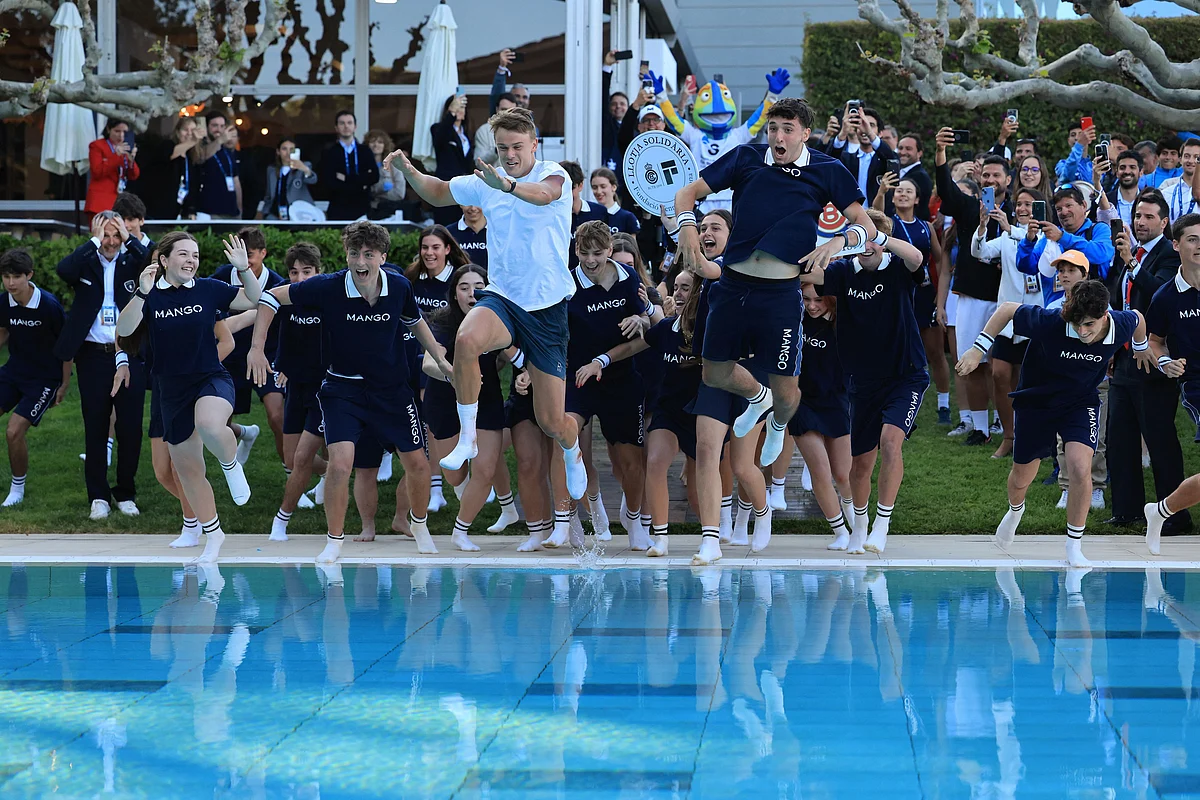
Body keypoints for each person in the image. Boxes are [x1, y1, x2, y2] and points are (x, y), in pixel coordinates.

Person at [673, 97, 875, 565]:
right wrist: (688, 232)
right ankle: (758, 398)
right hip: (732, 286)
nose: (778, 137)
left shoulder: (827, 169)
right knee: (714, 373)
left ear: (804, 133)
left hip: (781, 295)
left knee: (788, 395)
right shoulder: (745, 158)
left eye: (787, 129)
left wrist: (839, 243)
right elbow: (687, 195)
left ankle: (777, 418)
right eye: (773, 129)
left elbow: (865, 226)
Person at [384, 106, 589, 502]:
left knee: (551, 421)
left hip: (546, 309)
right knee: (466, 340)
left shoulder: (553, 174)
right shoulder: (484, 181)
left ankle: (572, 448)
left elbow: (543, 195)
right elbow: (437, 191)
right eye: (502, 147)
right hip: (503, 296)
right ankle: (469, 437)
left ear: (534, 145)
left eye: (517, 147)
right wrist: (409, 171)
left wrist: (508, 186)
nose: (509, 155)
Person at [248, 221, 452, 563]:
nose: (360, 261)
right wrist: (256, 348)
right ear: (346, 254)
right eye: (354, 253)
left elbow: (414, 321)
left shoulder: (399, 286)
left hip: (391, 391)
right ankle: (334, 539)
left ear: (382, 257)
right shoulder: (327, 286)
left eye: (369, 254)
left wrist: (440, 359)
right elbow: (270, 297)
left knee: (418, 464)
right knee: (340, 465)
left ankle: (419, 525)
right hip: (343, 390)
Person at [957, 280, 1149, 567]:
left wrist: (1141, 347)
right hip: (1037, 401)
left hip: (1080, 402)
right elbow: (1007, 309)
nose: (1082, 331)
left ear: (1105, 315)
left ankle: (1074, 545)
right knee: (1021, 477)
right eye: (1077, 325)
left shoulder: (1120, 324)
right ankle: (1015, 510)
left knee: (1080, 467)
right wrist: (978, 349)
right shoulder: (1052, 322)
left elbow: (1139, 319)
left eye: (1089, 325)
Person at [116, 232, 264, 562]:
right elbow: (125, 330)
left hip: (210, 378)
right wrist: (141, 292)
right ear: (164, 260)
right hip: (171, 390)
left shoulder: (209, 289)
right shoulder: (150, 295)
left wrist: (243, 270)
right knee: (188, 470)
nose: (191, 260)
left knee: (210, 424)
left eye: (195, 255)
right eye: (183, 254)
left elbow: (254, 299)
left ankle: (231, 465)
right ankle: (213, 534)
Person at [802, 209, 927, 554]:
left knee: (891, 442)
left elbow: (917, 258)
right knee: (860, 465)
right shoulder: (843, 271)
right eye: (859, 238)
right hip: (863, 382)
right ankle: (860, 526)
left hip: (906, 375)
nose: (866, 246)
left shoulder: (899, 267)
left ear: (885, 241)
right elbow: (807, 274)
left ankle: (882, 525)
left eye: (872, 239)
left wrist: (880, 238)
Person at [575, 268, 701, 556]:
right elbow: (640, 340)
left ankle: (716, 533)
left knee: (697, 486)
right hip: (663, 407)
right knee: (651, 462)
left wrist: (646, 313)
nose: (678, 293)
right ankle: (658, 536)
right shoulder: (665, 328)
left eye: (686, 288)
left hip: (701, 410)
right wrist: (601, 360)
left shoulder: (710, 327)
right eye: (676, 287)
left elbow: (654, 319)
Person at [552, 221, 655, 549]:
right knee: (566, 437)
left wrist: (640, 319)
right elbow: (550, 336)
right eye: (584, 253)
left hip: (620, 379)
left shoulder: (629, 278)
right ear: (576, 250)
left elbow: (646, 336)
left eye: (598, 253)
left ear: (610, 250)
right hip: (578, 377)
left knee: (631, 461)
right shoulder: (566, 284)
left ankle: (634, 520)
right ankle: (567, 519)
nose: (591, 260)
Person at [54, 212, 149, 519]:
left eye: (115, 235)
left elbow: (155, 263)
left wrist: (129, 238)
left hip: (130, 354)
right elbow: (63, 270)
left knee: (130, 427)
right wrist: (92, 242)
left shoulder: (132, 261)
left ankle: (125, 493)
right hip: (93, 355)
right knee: (95, 424)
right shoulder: (85, 261)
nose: (110, 242)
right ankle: (98, 496)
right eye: (105, 235)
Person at [1107, 192, 1191, 532]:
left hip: (1156, 358)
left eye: (1148, 216)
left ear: (1164, 222)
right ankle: (1126, 510)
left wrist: (1131, 262)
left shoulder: (1169, 254)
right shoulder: (1129, 253)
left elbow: (1160, 291)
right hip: (1124, 356)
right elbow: (1119, 300)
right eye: (1137, 215)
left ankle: (1174, 514)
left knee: (1160, 439)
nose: (1140, 222)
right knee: (1120, 437)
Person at [422, 264, 520, 550]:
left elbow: (508, 356)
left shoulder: (497, 319)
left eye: (478, 286)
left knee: (485, 468)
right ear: (455, 294)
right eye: (464, 287)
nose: (471, 293)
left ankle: (460, 532)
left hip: (485, 399)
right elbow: (429, 363)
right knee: (456, 475)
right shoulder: (443, 322)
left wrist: (524, 373)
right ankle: (488, 500)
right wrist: (454, 375)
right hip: (444, 402)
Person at [123, 317, 234, 547]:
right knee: (162, 471)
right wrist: (120, 362)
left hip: (193, 386)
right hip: (163, 386)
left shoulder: (199, 302)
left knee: (179, 466)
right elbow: (122, 332)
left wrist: (263, 308)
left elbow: (228, 332)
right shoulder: (148, 303)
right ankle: (203, 514)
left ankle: (192, 525)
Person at [935, 126, 1005, 447]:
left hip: (1007, 299)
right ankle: (980, 427)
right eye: (986, 175)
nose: (990, 180)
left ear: (1007, 180)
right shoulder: (968, 207)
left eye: (996, 175)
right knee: (971, 364)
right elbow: (946, 191)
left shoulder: (1019, 210)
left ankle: (1005, 423)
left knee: (1002, 368)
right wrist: (940, 153)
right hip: (972, 298)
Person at [972, 187, 1046, 459]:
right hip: (1007, 319)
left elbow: (1033, 248)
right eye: (1020, 204)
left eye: (1029, 204)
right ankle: (1009, 435)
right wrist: (983, 226)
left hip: (1035, 318)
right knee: (999, 374)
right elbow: (979, 252)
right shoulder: (1005, 237)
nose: (1023, 209)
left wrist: (1009, 228)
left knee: (1029, 381)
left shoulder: (1047, 238)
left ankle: (1033, 437)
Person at [876, 175, 949, 424]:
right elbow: (874, 216)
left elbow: (939, 259)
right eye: (899, 191)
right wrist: (881, 193)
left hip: (923, 293)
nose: (903, 194)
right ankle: (894, 403)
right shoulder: (888, 223)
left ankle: (944, 405)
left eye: (908, 191)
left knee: (935, 351)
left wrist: (940, 295)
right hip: (895, 294)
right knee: (896, 350)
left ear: (917, 199)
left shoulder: (926, 226)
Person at [267, 243, 327, 542]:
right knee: (292, 459)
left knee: (304, 457)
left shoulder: (329, 296)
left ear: (319, 271)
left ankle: (281, 520)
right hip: (296, 386)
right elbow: (258, 309)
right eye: (294, 272)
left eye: (307, 272)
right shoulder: (283, 295)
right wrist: (281, 365)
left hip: (325, 389)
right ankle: (333, 471)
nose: (300, 279)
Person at [0, 249, 69, 507]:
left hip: (44, 379)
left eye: (16, 276)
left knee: (13, 431)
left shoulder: (49, 306)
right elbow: (3, 331)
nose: (11, 283)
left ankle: (17, 489)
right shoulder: (3, 301)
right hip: (13, 372)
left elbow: (66, 347)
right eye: (6, 277)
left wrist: (64, 384)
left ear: (29, 275)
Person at [212, 226, 286, 467]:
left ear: (263, 253)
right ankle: (245, 433)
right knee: (218, 425)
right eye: (240, 255)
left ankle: (290, 474)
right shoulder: (221, 278)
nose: (244, 262)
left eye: (250, 255)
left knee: (277, 416)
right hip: (230, 357)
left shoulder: (277, 284)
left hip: (267, 356)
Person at [790, 282, 854, 549]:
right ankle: (840, 532)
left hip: (836, 401)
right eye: (806, 299)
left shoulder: (846, 322)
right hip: (801, 403)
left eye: (818, 300)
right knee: (820, 470)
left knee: (843, 475)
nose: (812, 306)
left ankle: (858, 525)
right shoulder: (794, 319)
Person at [318, 110, 379, 221]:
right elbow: (328, 180)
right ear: (336, 128)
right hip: (338, 208)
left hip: (363, 208)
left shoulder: (365, 151)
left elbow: (374, 176)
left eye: (349, 123)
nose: (346, 126)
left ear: (355, 127)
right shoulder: (329, 152)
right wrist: (360, 183)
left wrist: (345, 178)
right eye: (342, 123)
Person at [431, 94, 476, 226]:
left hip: (465, 187)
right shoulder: (438, 128)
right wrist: (451, 114)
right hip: (447, 185)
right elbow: (440, 138)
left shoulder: (467, 134)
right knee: (447, 224)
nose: (460, 110)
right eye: (456, 107)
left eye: (462, 107)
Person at [86, 119, 139, 216]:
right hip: (100, 201)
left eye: (124, 132)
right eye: (117, 131)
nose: (121, 135)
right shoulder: (97, 146)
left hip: (119, 201)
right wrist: (116, 155)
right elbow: (97, 171)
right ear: (108, 129)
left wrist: (131, 160)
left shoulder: (126, 148)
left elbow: (134, 175)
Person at [256, 139, 317, 220]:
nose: (288, 153)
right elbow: (269, 194)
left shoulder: (304, 166)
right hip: (275, 213)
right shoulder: (271, 170)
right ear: (278, 151)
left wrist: (304, 169)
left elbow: (312, 180)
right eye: (284, 149)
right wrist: (266, 212)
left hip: (299, 215)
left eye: (291, 149)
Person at [197, 112, 241, 219]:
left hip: (232, 212)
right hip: (210, 212)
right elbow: (202, 157)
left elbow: (236, 182)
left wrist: (240, 208)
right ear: (207, 127)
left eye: (222, 126)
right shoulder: (200, 147)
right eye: (214, 125)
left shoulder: (227, 151)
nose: (219, 129)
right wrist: (220, 140)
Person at [578, 168, 640, 235]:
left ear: (614, 187)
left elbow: (632, 241)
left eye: (603, 186)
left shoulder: (627, 217)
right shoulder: (589, 216)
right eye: (595, 187)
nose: (599, 191)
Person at [364, 130, 408, 220]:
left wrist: (377, 194)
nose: (376, 145)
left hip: (389, 213)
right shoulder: (362, 166)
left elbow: (400, 193)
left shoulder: (394, 165)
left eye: (380, 142)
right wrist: (382, 188)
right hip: (367, 213)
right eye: (372, 141)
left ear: (385, 145)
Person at [167, 116, 203, 220]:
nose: (189, 133)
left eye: (193, 130)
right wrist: (193, 141)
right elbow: (171, 154)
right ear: (178, 132)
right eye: (185, 130)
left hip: (184, 212)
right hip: (165, 210)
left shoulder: (192, 156)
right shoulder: (168, 146)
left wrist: (192, 209)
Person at [474, 92, 518, 167]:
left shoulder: (521, 131)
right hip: (493, 174)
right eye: (503, 109)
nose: (507, 113)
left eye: (511, 111)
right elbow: (478, 163)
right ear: (497, 109)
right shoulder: (483, 131)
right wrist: (496, 151)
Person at [1162, 139, 1200, 224]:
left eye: (1197, 157)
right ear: (1180, 159)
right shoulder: (1166, 190)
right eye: (1186, 156)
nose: (1191, 161)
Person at [1106, 151, 1145, 228]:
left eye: (1132, 167)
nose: (1127, 171)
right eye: (1122, 168)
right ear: (1117, 173)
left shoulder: (1149, 201)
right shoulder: (1105, 201)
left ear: (1141, 172)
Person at [1055, 120, 1096, 186]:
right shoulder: (1062, 164)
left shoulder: (1094, 167)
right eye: (1073, 135)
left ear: (1089, 138)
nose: (1077, 138)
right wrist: (1079, 145)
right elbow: (1066, 177)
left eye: (1081, 135)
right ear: (1068, 141)